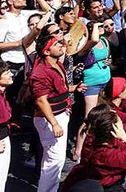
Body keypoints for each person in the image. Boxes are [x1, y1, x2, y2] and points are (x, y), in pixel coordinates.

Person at [31, 30, 86, 192]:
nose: (61, 45)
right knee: (54, 161)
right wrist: (54, 124)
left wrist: (75, 88)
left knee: (54, 159)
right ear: (46, 51)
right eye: (56, 44)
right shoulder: (41, 72)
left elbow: (59, 89)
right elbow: (41, 100)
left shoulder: (57, 64)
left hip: (60, 115)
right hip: (50, 119)